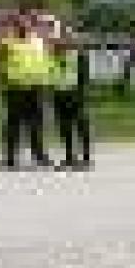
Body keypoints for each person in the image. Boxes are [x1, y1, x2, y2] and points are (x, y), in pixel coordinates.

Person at [0, 13, 53, 168]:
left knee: (36, 123)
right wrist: (2, 78)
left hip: (36, 86)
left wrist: (46, 79)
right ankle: (11, 156)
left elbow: (45, 61)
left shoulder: (38, 41)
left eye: (27, 23)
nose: (24, 26)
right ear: (15, 25)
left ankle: (39, 155)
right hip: (15, 86)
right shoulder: (7, 41)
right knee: (14, 123)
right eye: (20, 23)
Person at [47, 18, 94, 171]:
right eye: (60, 38)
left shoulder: (78, 55)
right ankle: (69, 157)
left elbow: (84, 76)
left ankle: (86, 158)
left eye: (66, 37)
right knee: (64, 126)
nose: (62, 41)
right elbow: (49, 74)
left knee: (80, 125)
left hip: (75, 93)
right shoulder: (53, 56)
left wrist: (82, 93)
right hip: (59, 93)